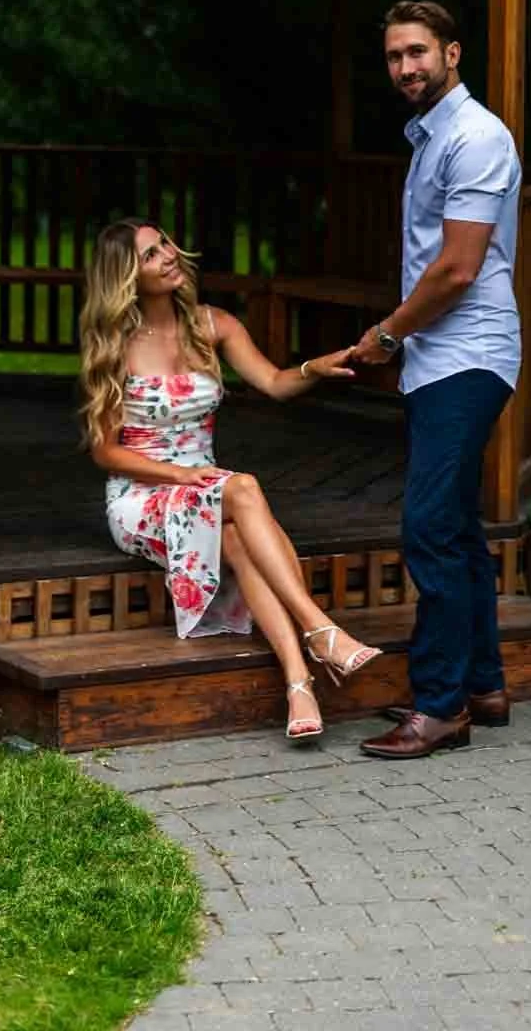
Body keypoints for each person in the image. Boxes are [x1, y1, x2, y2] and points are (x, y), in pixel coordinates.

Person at [80, 217, 382, 742]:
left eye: (165, 243)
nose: (168, 255)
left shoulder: (213, 325)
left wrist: (313, 369)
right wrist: (180, 474)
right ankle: (320, 629)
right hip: (143, 496)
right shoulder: (114, 344)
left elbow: (274, 382)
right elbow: (105, 452)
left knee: (239, 534)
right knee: (241, 487)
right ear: (127, 276)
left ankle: (299, 681)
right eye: (150, 255)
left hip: (205, 487)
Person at [347, 0, 522, 761]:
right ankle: (482, 685)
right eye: (394, 56)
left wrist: (387, 334)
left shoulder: (475, 137)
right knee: (452, 525)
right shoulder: (432, 136)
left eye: (417, 52)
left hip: (468, 353)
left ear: (452, 53)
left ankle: (439, 707)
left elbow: (456, 269)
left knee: (425, 527)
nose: (405, 67)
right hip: (438, 358)